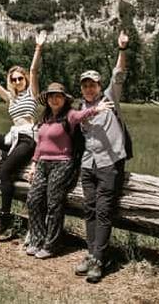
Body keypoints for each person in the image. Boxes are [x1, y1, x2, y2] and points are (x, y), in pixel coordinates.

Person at [0, 31, 46, 235]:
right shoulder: (10, 98)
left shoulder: (32, 93)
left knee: (5, 171)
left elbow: (33, 70)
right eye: (14, 79)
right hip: (13, 137)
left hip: (27, 139)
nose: (17, 81)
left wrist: (38, 48)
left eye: (20, 78)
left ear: (25, 80)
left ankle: (4, 219)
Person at [26, 83, 114, 259]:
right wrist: (34, 164)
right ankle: (37, 239)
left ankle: (52, 245)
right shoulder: (45, 118)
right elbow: (40, 144)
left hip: (62, 163)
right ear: (47, 99)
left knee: (53, 202)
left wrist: (97, 109)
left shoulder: (70, 115)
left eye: (58, 96)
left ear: (64, 99)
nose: (54, 99)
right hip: (42, 164)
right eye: (51, 96)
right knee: (33, 199)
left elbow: (82, 115)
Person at [74, 30, 131, 283]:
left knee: (104, 211)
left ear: (99, 86)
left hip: (109, 164)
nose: (89, 88)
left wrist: (122, 49)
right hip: (88, 164)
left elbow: (118, 74)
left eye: (92, 85)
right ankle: (91, 253)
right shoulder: (80, 108)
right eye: (85, 85)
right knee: (89, 209)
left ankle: (99, 258)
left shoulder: (110, 97)